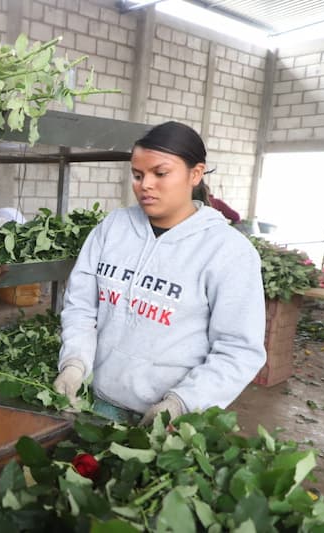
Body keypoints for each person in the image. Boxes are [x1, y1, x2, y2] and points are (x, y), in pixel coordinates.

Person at [53, 121, 266, 426]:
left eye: (160, 173)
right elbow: (82, 308)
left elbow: (238, 350)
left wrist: (181, 403)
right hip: (96, 401)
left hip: (172, 420)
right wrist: (74, 363)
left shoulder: (228, 251)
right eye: (138, 175)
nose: (145, 185)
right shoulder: (113, 228)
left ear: (196, 174)